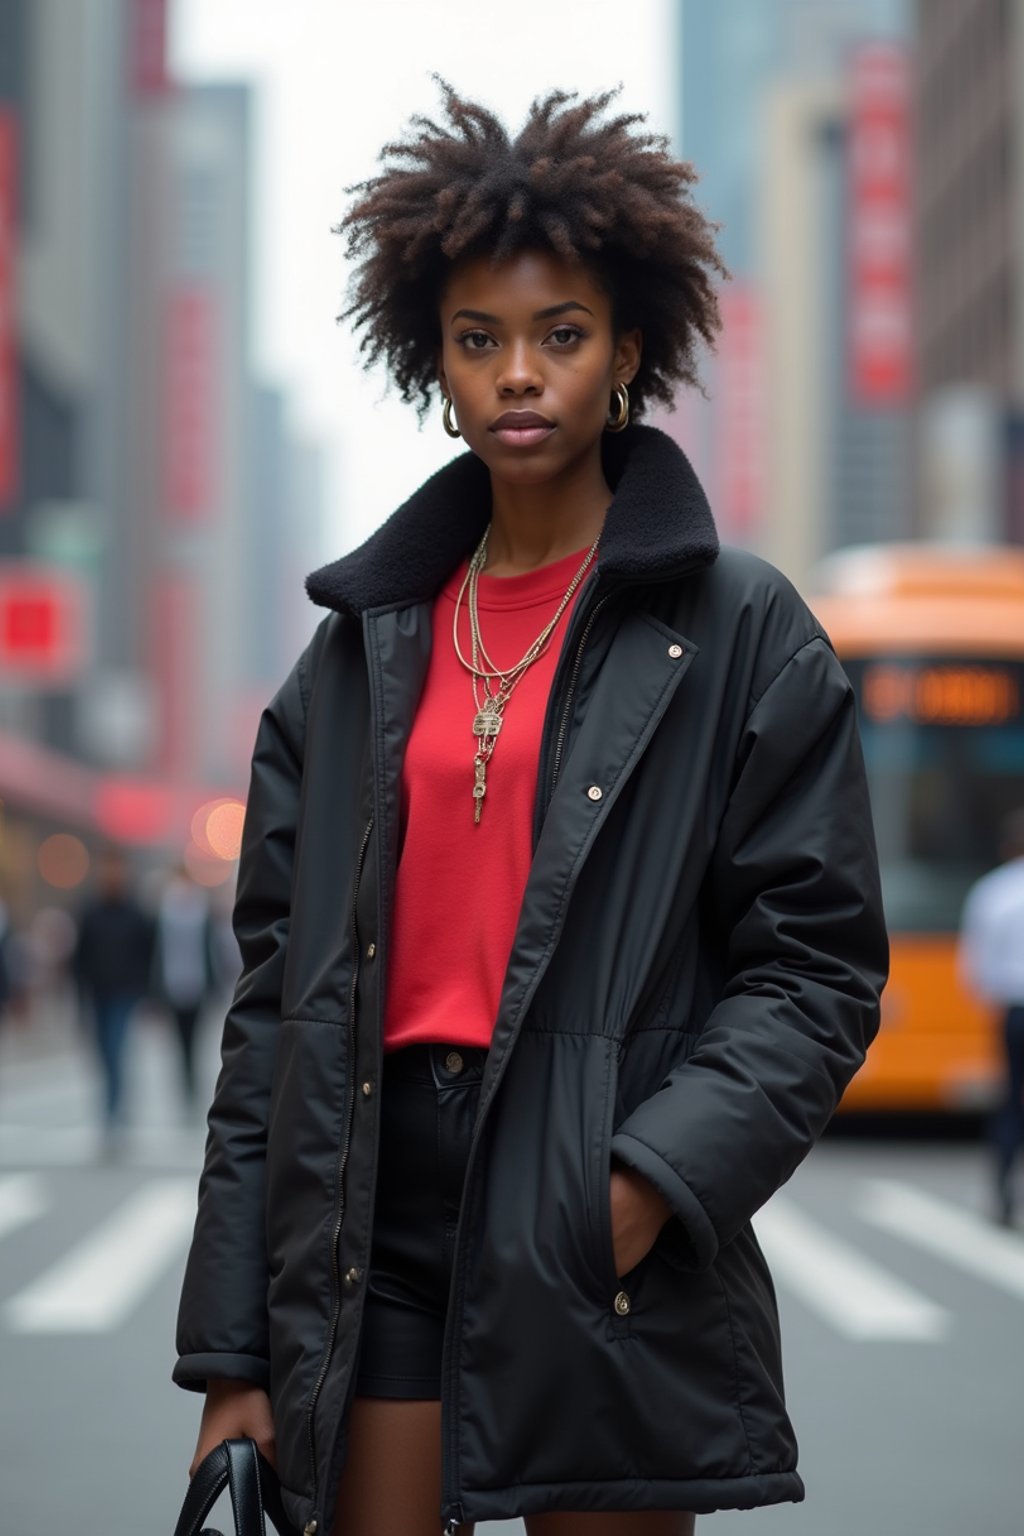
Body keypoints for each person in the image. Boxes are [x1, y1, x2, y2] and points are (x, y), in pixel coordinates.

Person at [173, 86, 888, 1536]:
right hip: (375, 1206)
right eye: (478, 340)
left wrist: (649, 1176)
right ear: (431, 365)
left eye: (560, 335)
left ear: (628, 351)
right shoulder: (355, 648)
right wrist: (229, 1353)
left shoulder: (740, 628)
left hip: (600, 1196)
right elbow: (276, 1017)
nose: (520, 374)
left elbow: (816, 964)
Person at [958, 809, 1024, 1226]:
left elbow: (975, 966)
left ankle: (1003, 1192)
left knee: (1011, 1099)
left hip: (1014, 1010)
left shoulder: (993, 891)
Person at [71, 845, 155, 1157]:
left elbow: (147, 955)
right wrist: (79, 1001)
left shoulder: (136, 913)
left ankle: (113, 1116)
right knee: (104, 1056)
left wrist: (147, 995)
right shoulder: (89, 911)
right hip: (97, 994)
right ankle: (112, 1110)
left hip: (125, 994)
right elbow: (78, 961)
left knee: (116, 1050)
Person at [151, 864, 219, 1118]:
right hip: (173, 987)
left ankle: (193, 1090)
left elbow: (210, 952)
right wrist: (156, 993)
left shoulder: (202, 911)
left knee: (195, 1044)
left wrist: (213, 985)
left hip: (197, 987)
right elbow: (158, 954)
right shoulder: (165, 912)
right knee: (180, 1046)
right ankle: (185, 1092)